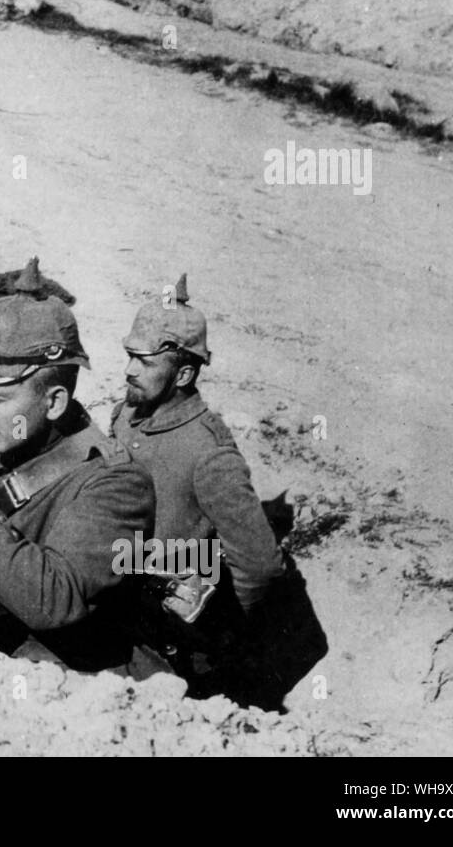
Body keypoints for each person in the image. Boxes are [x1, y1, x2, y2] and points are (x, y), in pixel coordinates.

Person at [0, 282, 155, 670]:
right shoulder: (10, 431)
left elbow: (55, 599)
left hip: (71, 672)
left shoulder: (114, 484)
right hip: (1, 637)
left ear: (53, 402)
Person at [111, 274, 326, 708]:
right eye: (130, 356)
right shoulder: (126, 415)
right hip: (120, 584)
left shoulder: (209, 453)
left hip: (171, 625)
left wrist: (224, 632)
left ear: (185, 372)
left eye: (145, 362)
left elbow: (260, 564)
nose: (130, 370)